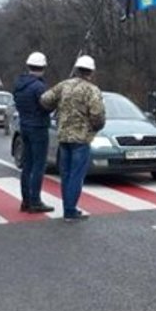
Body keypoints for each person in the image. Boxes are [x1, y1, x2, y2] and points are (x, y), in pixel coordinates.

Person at [40, 56, 106, 222]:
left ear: (77, 69)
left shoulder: (64, 85)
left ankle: (67, 208)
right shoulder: (92, 90)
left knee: (66, 175)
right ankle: (70, 211)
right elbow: (97, 115)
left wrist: (54, 109)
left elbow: (44, 99)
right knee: (76, 176)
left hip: (63, 136)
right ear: (91, 71)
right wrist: (96, 127)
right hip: (81, 138)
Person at [13, 52, 54, 213]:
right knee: (38, 165)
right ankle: (35, 201)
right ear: (43, 67)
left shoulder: (19, 84)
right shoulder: (38, 86)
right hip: (38, 127)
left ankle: (26, 200)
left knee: (27, 165)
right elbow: (46, 106)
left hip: (24, 126)